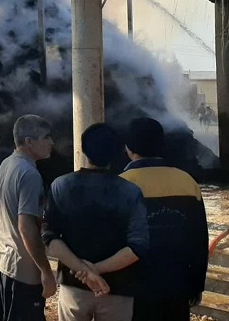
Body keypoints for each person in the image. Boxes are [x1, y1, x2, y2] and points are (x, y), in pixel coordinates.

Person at [42, 123, 149, 321]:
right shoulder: (130, 191)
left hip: (74, 285)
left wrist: (84, 271)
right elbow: (138, 247)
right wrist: (95, 271)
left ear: (83, 149)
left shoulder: (61, 185)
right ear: (118, 152)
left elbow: (49, 236)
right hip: (118, 288)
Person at [120, 117, 209, 321]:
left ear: (128, 149)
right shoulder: (187, 182)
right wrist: (197, 284)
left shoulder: (120, 185)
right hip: (178, 284)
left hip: (135, 287)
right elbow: (199, 239)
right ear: (162, 145)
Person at [0, 114, 57, 321]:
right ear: (29, 141)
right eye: (46, 137)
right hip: (24, 273)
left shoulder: (6, 164)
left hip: (3, 263)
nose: (51, 142)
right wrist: (46, 271)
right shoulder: (29, 175)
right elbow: (26, 227)